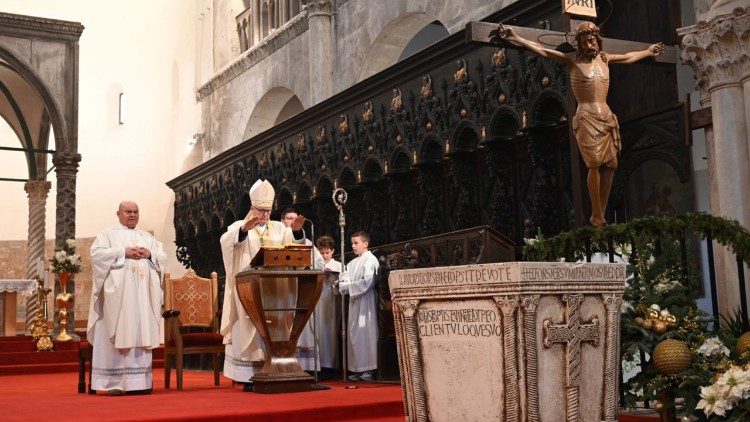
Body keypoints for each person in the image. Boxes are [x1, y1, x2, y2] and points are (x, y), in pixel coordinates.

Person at [496, 21, 665, 226]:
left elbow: (629, 57)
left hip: (607, 118)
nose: (590, 44)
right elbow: (543, 51)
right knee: (594, 163)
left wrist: (648, 52)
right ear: (580, 44)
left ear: (597, 41)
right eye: (585, 41)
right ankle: (595, 212)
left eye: (592, 40)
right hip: (586, 117)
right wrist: (515, 37)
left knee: (611, 165)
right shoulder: (573, 60)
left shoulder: (605, 58)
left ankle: (600, 215)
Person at [219, 179, 296, 390]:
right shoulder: (239, 226)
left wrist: (296, 232)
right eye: (261, 210)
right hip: (248, 288)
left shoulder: (279, 228)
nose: (264, 215)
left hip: (274, 286)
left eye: (268, 210)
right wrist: (244, 229)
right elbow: (226, 242)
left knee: (273, 324)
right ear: (252, 208)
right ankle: (247, 375)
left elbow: (293, 245)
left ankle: (273, 370)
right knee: (249, 325)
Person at [87, 201, 166, 396]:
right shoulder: (107, 235)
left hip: (143, 297)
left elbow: (162, 257)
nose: (132, 215)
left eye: (136, 212)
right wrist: (123, 252)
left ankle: (140, 383)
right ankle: (114, 382)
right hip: (118, 299)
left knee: (141, 331)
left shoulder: (147, 237)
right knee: (117, 331)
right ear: (118, 213)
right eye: (128, 212)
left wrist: (149, 254)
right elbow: (96, 255)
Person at [278, 206, 325, 372]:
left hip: (301, 289)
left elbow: (320, 264)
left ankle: (307, 368)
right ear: (282, 221)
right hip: (281, 290)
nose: (293, 222)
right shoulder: (275, 239)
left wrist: (306, 265)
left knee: (304, 327)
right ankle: (281, 364)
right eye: (289, 219)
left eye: (296, 218)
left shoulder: (306, 241)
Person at [338, 231, 379, 381]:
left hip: (366, 302)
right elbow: (343, 283)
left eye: (356, 243)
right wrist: (346, 286)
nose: (353, 246)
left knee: (365, 333)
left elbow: (368, 282)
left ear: (365, 244)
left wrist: (349, 286)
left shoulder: (371, 260)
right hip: (354, 303)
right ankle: (356, 368)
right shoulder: (351, 263)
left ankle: (368, 369)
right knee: (354, 334)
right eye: (352, 243)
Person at [315, 235, 342, 375]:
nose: (324, 255)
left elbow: (342, 285)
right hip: (318, 301)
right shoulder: (316, 265)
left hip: (331, 301)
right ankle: (318, 365)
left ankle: (330, 365)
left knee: (329, 332)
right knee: (318, 332)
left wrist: (333, 279)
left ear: (332, 251)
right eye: (321, 252)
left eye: (327, 252)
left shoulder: (338, 265)